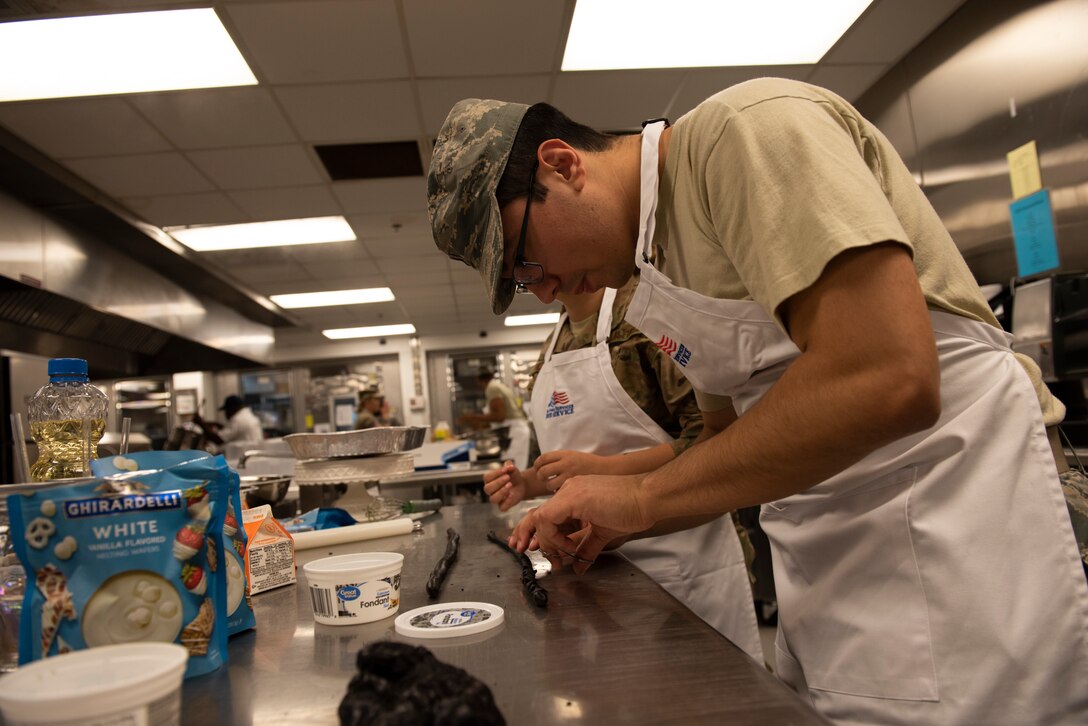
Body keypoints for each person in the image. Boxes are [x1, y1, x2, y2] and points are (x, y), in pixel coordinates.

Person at [427, 80, 1088, 724]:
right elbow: (724, 438)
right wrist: (616, 517)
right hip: (828, 567)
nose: (540, 291)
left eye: (526, 261)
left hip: (953, 530)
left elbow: (888, 375)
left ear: (562, 164)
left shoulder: (745, 133)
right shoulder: (656, 277)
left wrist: (639, 498)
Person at [483, 276, 763, 660]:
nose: (539, 287)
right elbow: (568, 464)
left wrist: (604, 469)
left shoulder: (645, 319)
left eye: (529, 262)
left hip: (681, 556)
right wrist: (528, 483)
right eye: (522, 278)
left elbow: (711, 438)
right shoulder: (554, 343)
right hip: (596, 565)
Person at [457, 368, 531, 468]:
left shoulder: (492, 388)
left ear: (478, 380)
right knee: (515, 467)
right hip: (516, 430)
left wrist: (472, 418)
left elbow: (499, 416)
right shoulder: (499, 386)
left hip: (514, 431)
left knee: (514, 469)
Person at [196, 394, 263, 446]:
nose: (226, 413)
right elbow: (236, 430)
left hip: (237, 457)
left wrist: (201, 425)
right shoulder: (248, 416)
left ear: (232, 408)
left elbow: (219, 440)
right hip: (250, 454)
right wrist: (218, 425)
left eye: (226, 410)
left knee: (213, 461)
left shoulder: (237, 419)